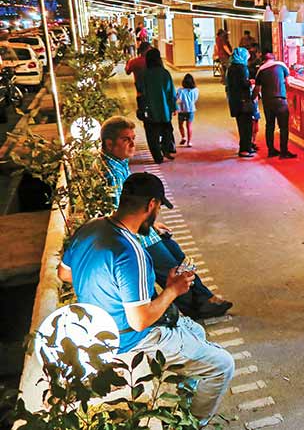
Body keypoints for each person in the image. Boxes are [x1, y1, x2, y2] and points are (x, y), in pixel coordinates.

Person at [58, 172, 234, 424]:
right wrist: (173, 290)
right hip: (131, 340)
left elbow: (64, 273)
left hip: (98, 328)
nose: (157, 214)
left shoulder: (90, 228)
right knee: (223, 365)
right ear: (151, 205)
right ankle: (194, 423)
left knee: (195, 330)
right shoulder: (131, 253)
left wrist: (104, 282)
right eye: (159, 208)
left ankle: (181, 399)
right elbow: (140, 320)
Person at [99, 117, 232, 319]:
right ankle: (195, 305)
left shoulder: (118, 163)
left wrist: (152, 224)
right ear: (109, 143)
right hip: (137, 237)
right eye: (127, 139)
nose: (133, 144)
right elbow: (119, 212)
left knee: (180, 256)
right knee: (171, 267)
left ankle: (204, 297)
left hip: (143, 229)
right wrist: (146, 227)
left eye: (133, 138)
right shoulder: (111, 174)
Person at [253, 51, 296, 159]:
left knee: (269, 125)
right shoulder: (281, 65)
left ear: (264, 60)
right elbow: (288, 83)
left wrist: (252, 100)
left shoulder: (260, 70)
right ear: (274, 58)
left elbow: (257, 89)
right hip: (280, 100)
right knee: (283, 127)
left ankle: (271, 150)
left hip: (267, 102)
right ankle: (283, 152)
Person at [141, 48, 177, 163]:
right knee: (167, 130)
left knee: (152, 135)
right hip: (164, 109)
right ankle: (166, 149)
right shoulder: (164, 73)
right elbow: (171, 92)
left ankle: (157, 157)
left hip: (150, 110)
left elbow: (141, 91)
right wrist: (174, 107)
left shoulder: (144, 74)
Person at [226, 47, 256, 158]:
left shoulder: (231, 68)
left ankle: (245, 147)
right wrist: (251, 82)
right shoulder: (241, 68)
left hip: (235, 101)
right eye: (247, 54)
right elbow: (243, 83)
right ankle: (245, 149)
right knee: (246, 126)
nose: (248, 56)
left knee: (242, 125)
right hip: (243, 101)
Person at [125, 42, 151, 112]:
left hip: (140, 89)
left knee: (143, 111)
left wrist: (127, 63)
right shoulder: (154, 61)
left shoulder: (133, 62)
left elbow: (127, 72)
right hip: (152, 88)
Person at [176, 73, 199, 147]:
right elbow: (195, 99)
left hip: (182, 110)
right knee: (189, 126)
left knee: (180, 125)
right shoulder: (196, 90)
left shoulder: (180, 90)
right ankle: (189, 142)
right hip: (191, 110)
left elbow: (178, 100)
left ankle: (183, 137)